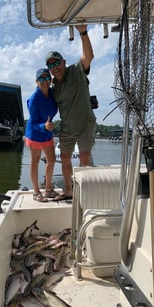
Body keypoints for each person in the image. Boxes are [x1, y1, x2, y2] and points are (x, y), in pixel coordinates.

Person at [45, 24, 96, 201]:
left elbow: (89, 56)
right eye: (51, 65)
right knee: (65, 157)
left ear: (64, 62)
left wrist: (83, 32)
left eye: (57, 62)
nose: (55, 67)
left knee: (84, 157)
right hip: (67, 128)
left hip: (86, 123)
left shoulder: (76, 70)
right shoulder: (53, 87)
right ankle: (68, 190)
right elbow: (48, 107)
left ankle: (86, 192)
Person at [25, 68, 59, 202]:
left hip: (47, 133)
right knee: (35, 162)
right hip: (35, 133)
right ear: (36, 81)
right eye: (41, 79)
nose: (44, 81)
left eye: (47, 78)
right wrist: (43, 126)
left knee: (51, 160)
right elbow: (32, 123)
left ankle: (48, 189)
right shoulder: (34, 99)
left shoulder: (52, 93)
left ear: (50, 80)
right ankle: (36, 192)